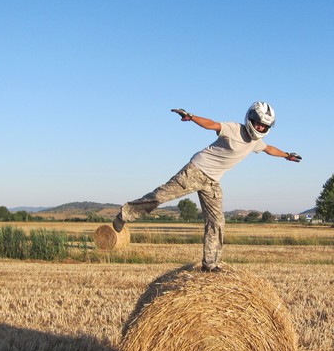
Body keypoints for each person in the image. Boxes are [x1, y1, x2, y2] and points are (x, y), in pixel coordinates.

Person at [113, 102, 302, 272]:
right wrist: (192, 117)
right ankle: (125, 214)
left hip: (213, 181)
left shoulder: (256, 142)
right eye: (258, 123)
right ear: (250, 119)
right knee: (160, 196)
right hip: (196, 171)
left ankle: (210, 264)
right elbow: (212, 124)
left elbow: (269, 149)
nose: (260, 127)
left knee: (217, 222)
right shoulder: (234, 128)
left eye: (265, 125)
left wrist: (287, 155)